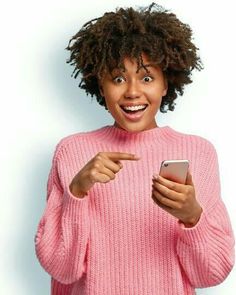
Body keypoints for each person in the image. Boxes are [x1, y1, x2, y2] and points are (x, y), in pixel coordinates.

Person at [35, 3, 235, 294]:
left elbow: (212, 273)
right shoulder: (72, 151)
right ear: (99, 85)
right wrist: (76, 192)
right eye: (117, 78)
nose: (132, 91)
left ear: (166, 83)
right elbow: (61, 269)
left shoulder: (198, 152)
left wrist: (192, 217)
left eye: (147, 78)